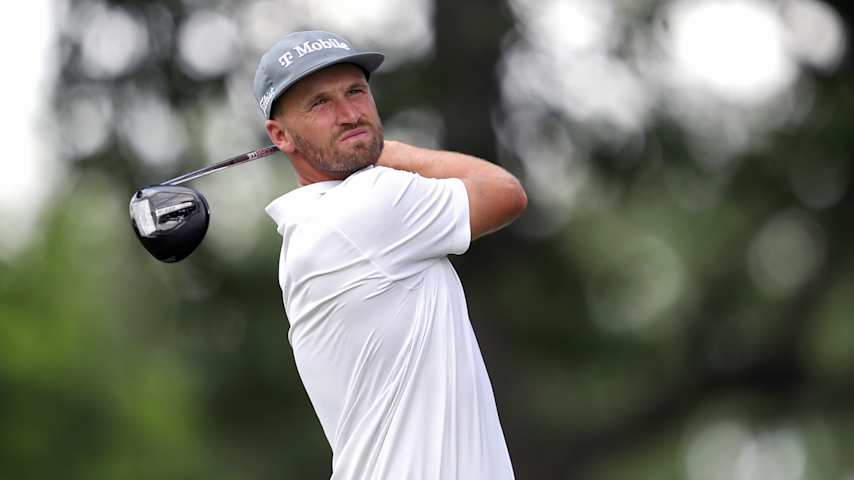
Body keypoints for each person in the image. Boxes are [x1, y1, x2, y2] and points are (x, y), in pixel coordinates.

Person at [254, 30, 527, 480]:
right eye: (320, 103)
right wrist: (393, 152)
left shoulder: (308, 227)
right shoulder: (368, 202)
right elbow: (504, 192)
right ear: (280, 135)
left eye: (355, 91)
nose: (349, 114)